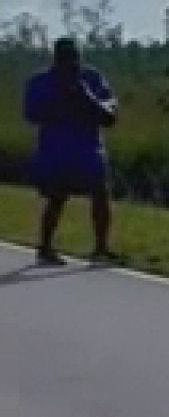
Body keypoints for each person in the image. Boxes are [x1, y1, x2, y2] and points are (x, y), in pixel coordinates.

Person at [21, 36, 120, 266]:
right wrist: (57, 96)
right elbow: (31, 114)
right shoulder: (40, 81)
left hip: (89, 152)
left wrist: (86, 96)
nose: (70, 63)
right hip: (55, 152)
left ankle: (101, 248)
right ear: (54, 58)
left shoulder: (92, 78)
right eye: (64, 58)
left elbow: (110, 115)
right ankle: (45, 247)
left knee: (101, 195)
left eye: (73, 57)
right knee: (56, 197)